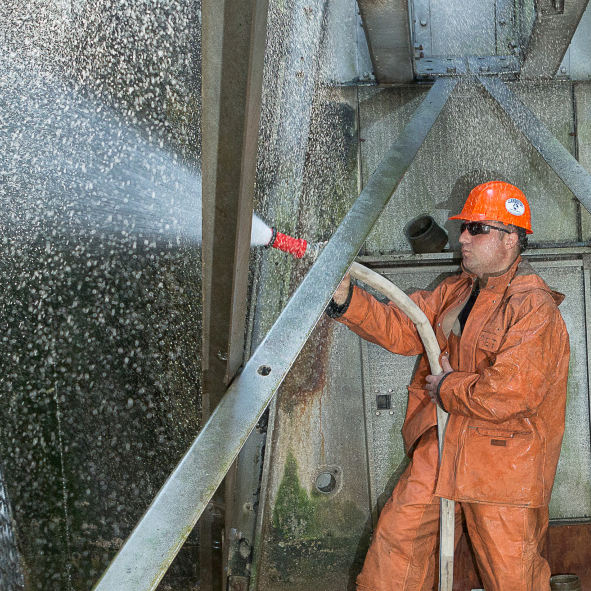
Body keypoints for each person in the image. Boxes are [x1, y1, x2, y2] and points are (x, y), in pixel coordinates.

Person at [326, 181, 570, 591]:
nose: (462, 238)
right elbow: (405, 327)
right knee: (394, 554)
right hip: (444, 447)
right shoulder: (457, 290)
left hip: (503, 466)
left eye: (475, 228)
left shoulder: (533, 307)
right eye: (463, 229)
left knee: (514, 578)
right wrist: (347, 299)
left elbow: (512, 392)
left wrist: (447, 388)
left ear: (510, 239)